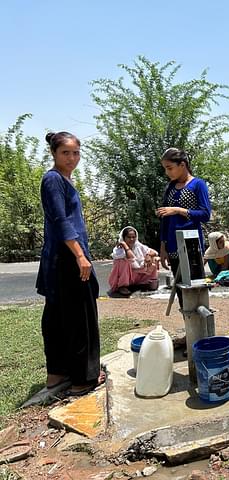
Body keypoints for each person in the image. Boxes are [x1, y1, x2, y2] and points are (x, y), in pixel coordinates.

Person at [36, 131, 104, 396]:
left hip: (63, 255)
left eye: (76, 153)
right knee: (79, 317)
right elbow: (61, 221)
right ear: (54, 153)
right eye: (66, 152)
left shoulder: (63, 180)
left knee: (56, 317)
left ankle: (57, 374)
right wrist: (79, 256)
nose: (72, 158)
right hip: (67, 257)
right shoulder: (53, 179)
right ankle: (82, 379)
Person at [157, 148, 211, 305]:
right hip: (173, 246)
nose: (167, 173)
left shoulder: (198, 185)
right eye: (165, 169)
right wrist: (163, 245)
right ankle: (189, 324)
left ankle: (201, 326)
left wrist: (179, 210)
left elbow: (205, 214)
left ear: (182, 164)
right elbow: (164, 219)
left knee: (195, 287)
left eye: (169, 168)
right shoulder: (170, 188)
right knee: (181, 290)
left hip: (192, 246)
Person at [108, 226, 160, 297]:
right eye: (129, 237)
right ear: (124, 238)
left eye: (133, 237)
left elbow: (154, 252)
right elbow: (131, 258)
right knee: (124, 262)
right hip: (126, 275)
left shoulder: (138, 245)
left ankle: (146, 283)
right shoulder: (118, 249)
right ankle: (122, 286)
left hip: (137, 273)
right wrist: (125, 246)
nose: (132, 239)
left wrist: (148, 255)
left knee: (154, 259)